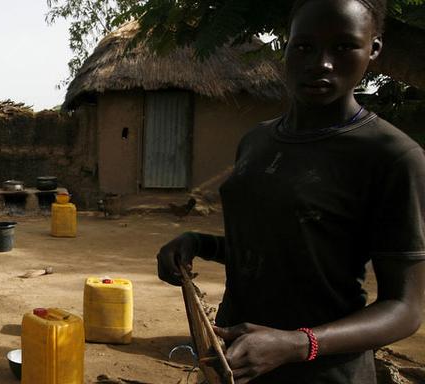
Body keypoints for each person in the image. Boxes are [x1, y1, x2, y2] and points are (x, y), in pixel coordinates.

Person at [157, 0, 425, 382]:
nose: (322, 62)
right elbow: (284, 249)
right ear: (286, 45)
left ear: (375, 49)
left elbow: (405, 308)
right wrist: (198, 242)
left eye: (344, 46)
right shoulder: (258, 141)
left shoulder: (393, 157)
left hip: (323, 373)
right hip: (235, 363)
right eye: (304, 46)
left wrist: (298, 344)